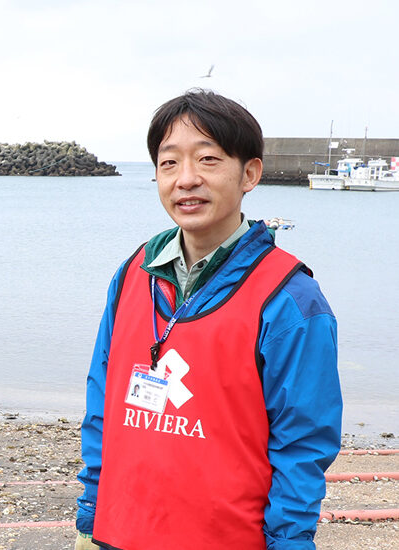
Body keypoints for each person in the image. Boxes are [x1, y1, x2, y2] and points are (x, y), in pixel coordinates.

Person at [74, 89, 341, 550]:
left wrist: (289, 542)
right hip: (118, 531)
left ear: (249, 174)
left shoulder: (290, 299)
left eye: (208, 160)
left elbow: (303, 443)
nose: (186, 179)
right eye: (169, 163)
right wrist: (91, 511)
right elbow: (103, 398)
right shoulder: (134, 273)